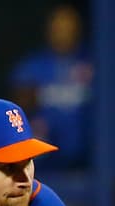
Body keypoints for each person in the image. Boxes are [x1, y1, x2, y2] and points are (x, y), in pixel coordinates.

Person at [10, 4, 93, 170]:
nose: (63, 33)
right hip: (45, 159)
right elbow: (19, 108)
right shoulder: (34, 66)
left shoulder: (91, 63)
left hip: (88, 156)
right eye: (58, 27)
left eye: (68, 27)